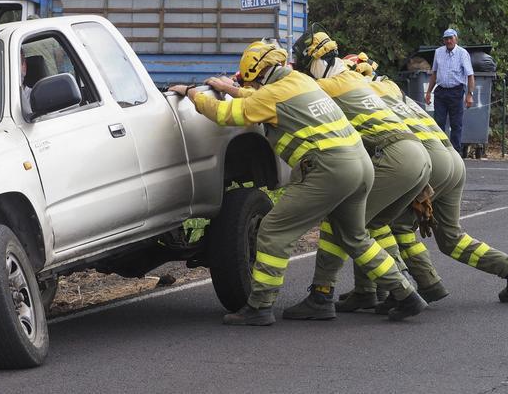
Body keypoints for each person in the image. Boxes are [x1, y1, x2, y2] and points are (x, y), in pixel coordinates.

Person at [169, 40, 426, 326]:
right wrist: (232, 89)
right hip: (361, 164)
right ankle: (406, 294)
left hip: (330, 169)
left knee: (273, 230)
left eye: (249, 81)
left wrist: (192, 93)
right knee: (355, 236)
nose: (249, 87)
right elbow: (261, 97)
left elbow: (226, 114)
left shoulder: (271, 95)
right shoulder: (299, 80)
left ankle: (260, 306)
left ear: (259, 74)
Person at [280, 32, 431, 319]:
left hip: (395, 156)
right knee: (372, 225)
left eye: (303, 64)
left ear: (315, 61)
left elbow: (294, 94)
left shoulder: (328, 84)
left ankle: (324, 295)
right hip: (414, 154)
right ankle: (379, 291)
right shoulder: (350, 77)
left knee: (344, 224)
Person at [359, 63, 508, 306]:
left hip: (428, 162)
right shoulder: (396, 95)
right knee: (451, 238)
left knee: (389, 224)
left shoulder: (364, 101)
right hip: (452, 159)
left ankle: (412, 287)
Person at [425, 28, 474, 152]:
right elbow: (434, 74)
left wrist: (469, 94)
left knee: (456, 124)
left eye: (450, 38)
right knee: (439, 122)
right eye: (446, 39)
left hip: (456, 91)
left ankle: (455, 152)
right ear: (443, 40)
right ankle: (440, 151)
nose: (448, 41)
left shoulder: (462, 53)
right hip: (441, 91)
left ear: (456, 39)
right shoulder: (438, 52)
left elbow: (470, 75)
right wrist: (428, 92)